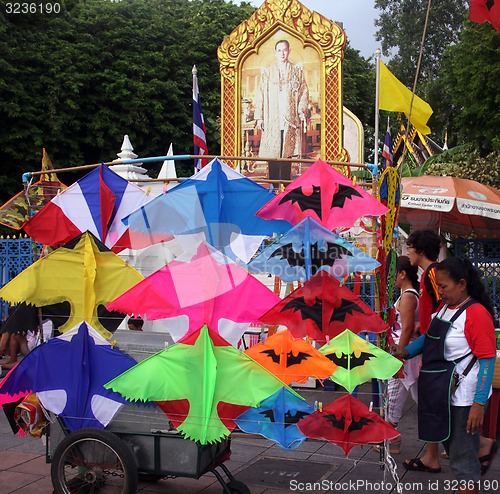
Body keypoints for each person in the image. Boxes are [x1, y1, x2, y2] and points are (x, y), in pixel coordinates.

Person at [393, 257, 497, 493]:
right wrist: (405, 351)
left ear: (462, 284)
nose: (439, 291)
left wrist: (479, 403)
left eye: (444, 286)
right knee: (453, 450)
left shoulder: (477, 313)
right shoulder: (444, 309)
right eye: (438, 286)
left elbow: (487, 360)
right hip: (442, 391)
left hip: (465, 397)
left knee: (464, 461)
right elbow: (428, 339)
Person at [404, 229, 443, 470]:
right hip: (431, 342)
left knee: (432, 401)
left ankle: (434, 456)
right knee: (430, 401)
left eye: (409, 247)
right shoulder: (428, 273)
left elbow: (444, 307)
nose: (407, 252)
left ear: (419, 250)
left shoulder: (433, 273)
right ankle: (434, 454)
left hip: (435, 347)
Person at [376, 256, 421, 454]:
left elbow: (407, 328)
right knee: (393, 395)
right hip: (403, 354)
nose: (391, 277)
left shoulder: (408, 296)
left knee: (422, 398)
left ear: (403, 274)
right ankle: (391, 437)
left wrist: (398, 357)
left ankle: (450, 441)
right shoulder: (406, 295)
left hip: (407, 355)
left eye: (393, 273)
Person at [254, 39, 309, 180]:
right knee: (273, 152)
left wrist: (301, 109)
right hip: (272, 117)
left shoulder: (296, 71)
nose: (282, 53)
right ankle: (273, 185)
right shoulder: (267, 72)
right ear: (275, 53)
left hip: (288, 118)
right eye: (279, 50)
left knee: (286, 152)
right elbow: (260, 94)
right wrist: (259, 117)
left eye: (285, 50)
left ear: (289, 51)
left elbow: (304, 91)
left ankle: (285, 184)